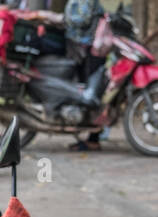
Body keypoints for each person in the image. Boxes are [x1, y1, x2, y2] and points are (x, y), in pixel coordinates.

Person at [64, 0, 103, 151]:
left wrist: (62, 18)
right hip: (86, 47)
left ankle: (93, 138)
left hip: (87, 48)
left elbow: (83, 19)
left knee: (89, 92)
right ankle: (90, 135)